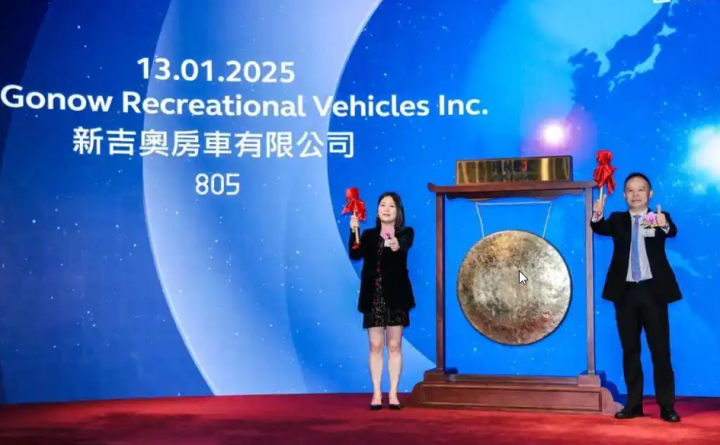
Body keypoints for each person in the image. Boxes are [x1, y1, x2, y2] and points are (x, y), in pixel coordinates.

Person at [590, 172, 681, 423]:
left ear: (650, 194)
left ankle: (666, 406)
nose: (636, 194)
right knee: (630, 350)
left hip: (653, 291)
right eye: (630, 190)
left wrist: (663, 223)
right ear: (624, 195)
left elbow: (670, 231)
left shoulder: (655, 217)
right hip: (625, 292)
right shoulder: (618, 219)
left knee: (660, 350)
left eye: (641, 189)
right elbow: (599, 227)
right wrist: (597, 214)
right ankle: (633, 405)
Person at [349, 192, 415, 411]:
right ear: (377, 210)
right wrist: (354, 230)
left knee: (394, 345)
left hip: (396, 296)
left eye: (391, 206)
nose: (386, 209)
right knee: (375, 346)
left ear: (398, 211)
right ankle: (377, 393)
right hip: (373, 296)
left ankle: (393, 393)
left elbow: (402, 244)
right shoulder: (368, 235)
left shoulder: (405, 232)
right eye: (383, 205)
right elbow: (355, 254)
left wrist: (395, 242)